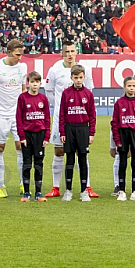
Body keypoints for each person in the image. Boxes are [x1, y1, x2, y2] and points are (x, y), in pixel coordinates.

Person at [44, 41, 97, 199]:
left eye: (72, 51)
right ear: (62, 53)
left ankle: (86, 186)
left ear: (76, 52)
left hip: (79, 120)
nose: (70, 54)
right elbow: (49, 92)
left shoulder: (84, 69)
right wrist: (61, 107)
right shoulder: (55, 70)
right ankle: (56, 187)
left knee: (82, 153)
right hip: (62, 119)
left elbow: (89, 92)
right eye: (67, 51)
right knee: (59, 151)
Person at [0, 39, 27, 198]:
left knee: (21, 147)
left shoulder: (23, 67)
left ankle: (23, 184)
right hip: (0, 114)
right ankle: (1, 186)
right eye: (17, 55)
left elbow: (23, 88)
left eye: (21, 54)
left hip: (18, 115)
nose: (19, 58)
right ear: (8, 52)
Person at [58, 65, 96, 202]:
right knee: (69, 159)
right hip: (69, 129)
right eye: (76, 78)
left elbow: (92, 115)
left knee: (82, 160)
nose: (78, 80)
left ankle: (83, 190)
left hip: (83, 129)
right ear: (71, 78)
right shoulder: (66, 93)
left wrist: (91, 133)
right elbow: (61, 114)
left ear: (84, 77)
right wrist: (62, 131)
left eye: (80, 77)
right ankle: (68, 190)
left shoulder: (88, 94)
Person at [111, 76, 135, 202]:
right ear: (124, 87)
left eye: (133, 86)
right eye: (129, 86)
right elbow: (115, 123)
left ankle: (134, 191)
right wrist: (117, 140)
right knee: (122, 163)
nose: (131, 88)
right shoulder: (119, 103)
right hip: (123, 134)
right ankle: (121, 191)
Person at [16, 71, 50, 202]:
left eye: (37, 82)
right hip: (27, 135)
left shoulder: (43, 99)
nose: (34, 85)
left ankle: (38, 192)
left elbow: (47, 118)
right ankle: (26, 193)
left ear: (40, 84)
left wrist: (46, 137)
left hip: (40, 136)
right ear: (28, 83)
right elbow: (19, 118)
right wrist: (21, 136)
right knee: (27, 164)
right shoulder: (22, 98)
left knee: (38, 164)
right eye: (32, 82)